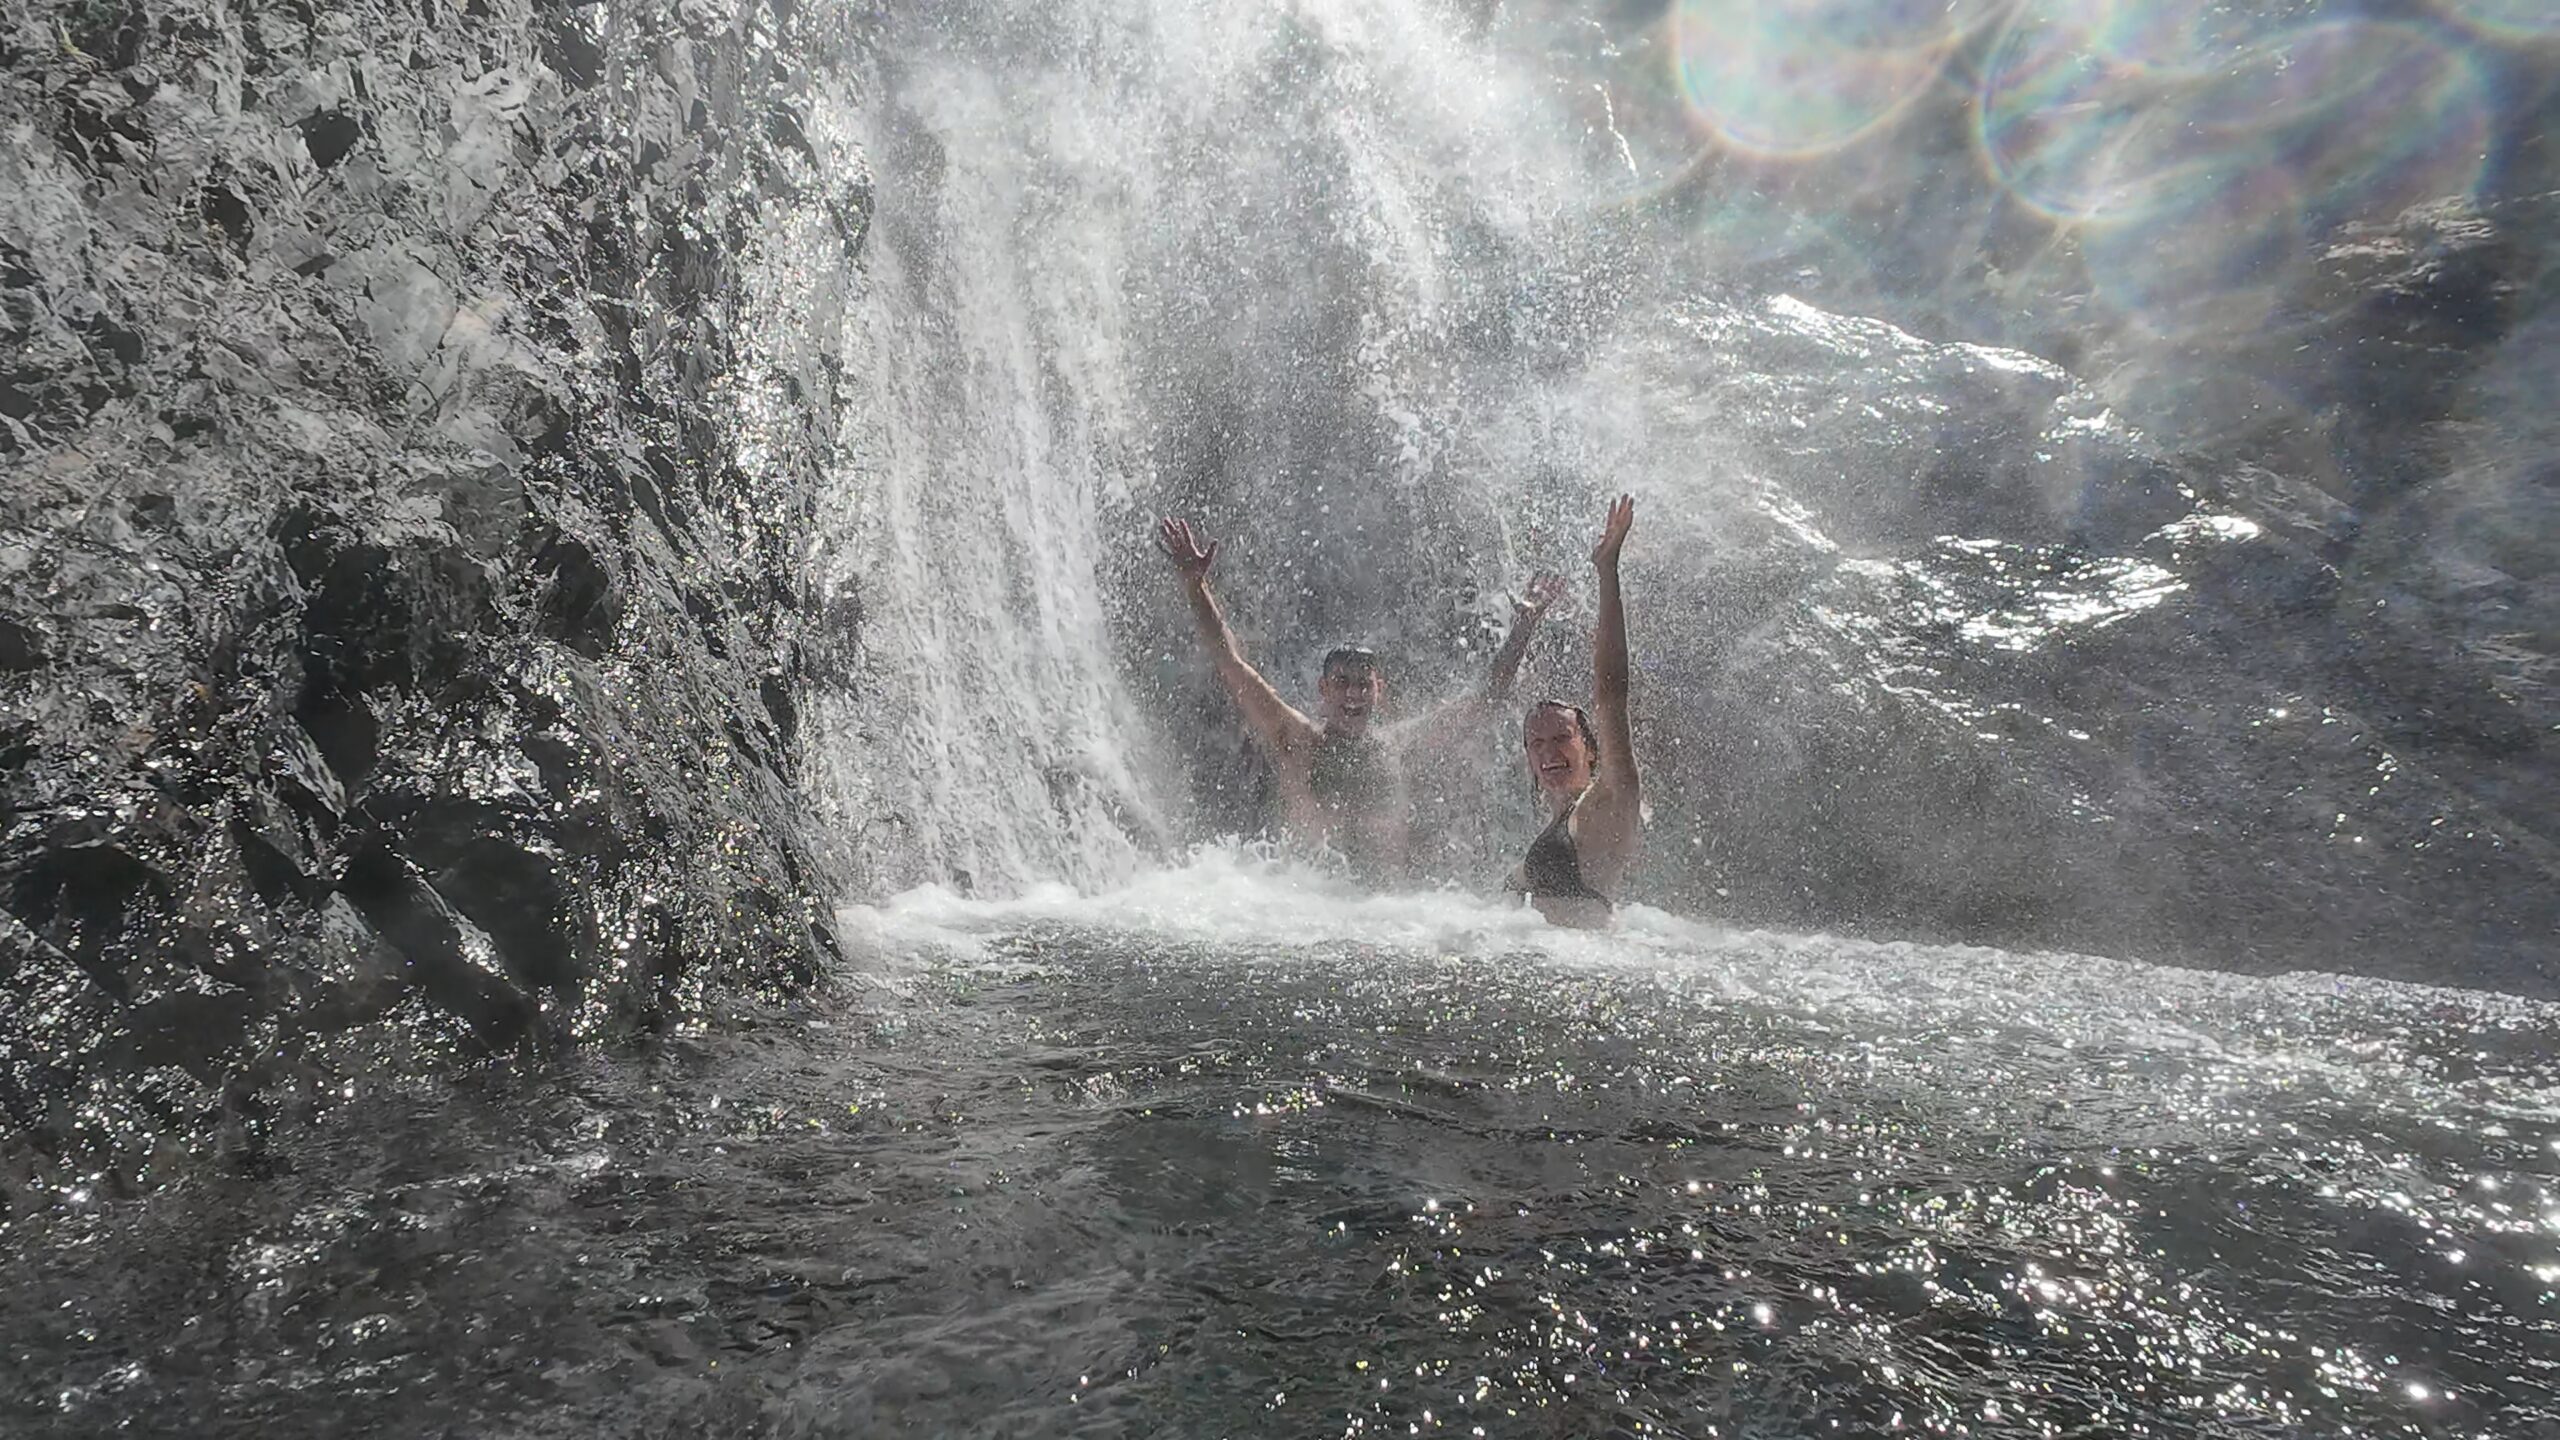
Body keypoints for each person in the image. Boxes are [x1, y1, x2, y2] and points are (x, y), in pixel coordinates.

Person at [1155, 515, 1562, 877]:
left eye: (1363, 684)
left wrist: (1524, 625)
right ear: (1323, 689)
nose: (1354, 694)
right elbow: (1230, 664)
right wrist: (1195, 586)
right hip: (1305, 904)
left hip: (1382, 916)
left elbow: (1486, 700)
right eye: (1343, 683)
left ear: (1378, 691)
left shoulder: (1403, 746)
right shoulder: (1296, 738)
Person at [1511, 495, 1640, 928]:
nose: (1549, 752)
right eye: (1537, 743)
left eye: (1562, 738)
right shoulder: (1556, 822)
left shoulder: (1609, 800)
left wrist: (1608, 570)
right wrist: (1524, 625)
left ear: (1590, 748)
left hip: (1586, 977)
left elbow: (1611, 694)